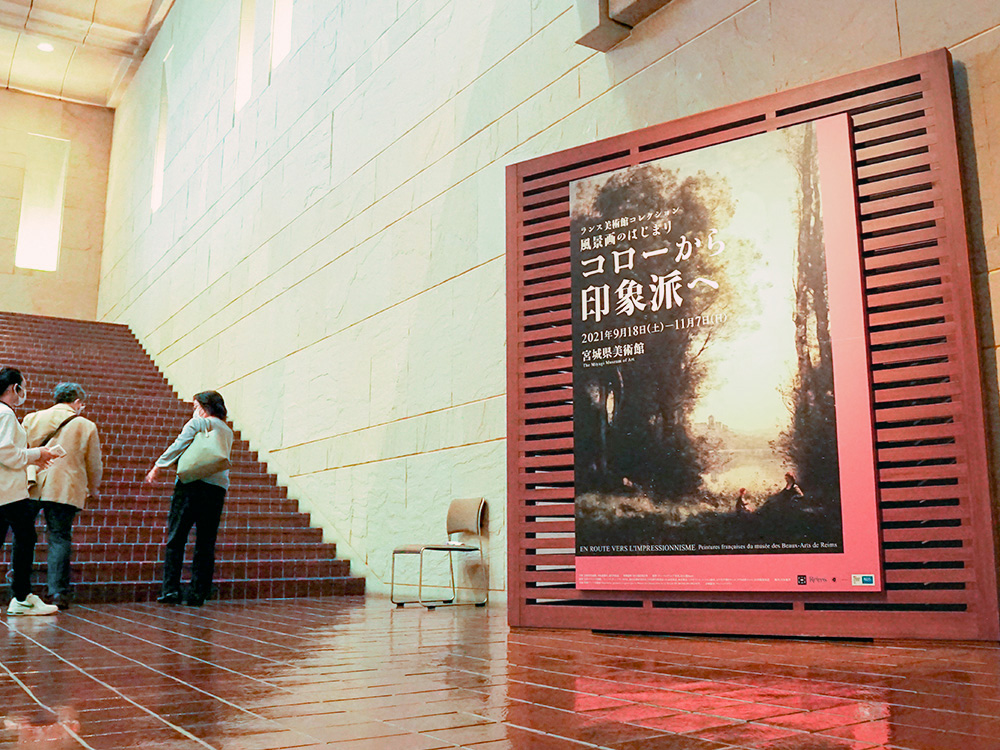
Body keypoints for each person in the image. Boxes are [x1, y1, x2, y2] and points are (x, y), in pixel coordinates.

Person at [145, 391, 233, 607]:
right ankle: (198, 593)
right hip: (216, 488)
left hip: (191, 485)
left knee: (177, 537)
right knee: (206, 541)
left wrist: (158, 466)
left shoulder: (199, 423)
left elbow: (179, 444)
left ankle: (170, 590)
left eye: (195, 407)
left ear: (204, 407)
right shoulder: (227, 430)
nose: (194, 411)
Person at [23, 383, 103, 610]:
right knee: (59, 537)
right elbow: (94, 463)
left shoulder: (32, 418)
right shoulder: (86, 426)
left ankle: (21, 590)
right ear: (77, 402)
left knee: (24, 536)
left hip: (31, 483)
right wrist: (93, 487)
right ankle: (57, 592)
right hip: (65, 487)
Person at [0, 367, 61, 616]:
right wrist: (38, 454)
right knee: (26, 538)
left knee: (25, 537)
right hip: (8, 493)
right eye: (22, 386)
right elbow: (6, 453)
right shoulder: (5, 414)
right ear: (15, 388)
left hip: (8, 491)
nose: (24, 392)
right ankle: (22, 597)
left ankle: (22, 595)